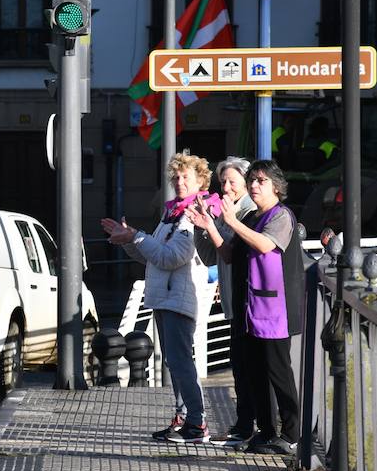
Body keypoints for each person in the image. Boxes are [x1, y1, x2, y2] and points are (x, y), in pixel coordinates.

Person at [102, 151, 219, 444]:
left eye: (186, 177)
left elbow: (172, 257)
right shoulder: (173, 212)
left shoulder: (193, 214)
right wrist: (129, 241)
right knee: (174, 361)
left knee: (180, 361)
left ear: (200, 181)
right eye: (176, 177)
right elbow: (152, 256)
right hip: (165, 297)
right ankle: (183, 418)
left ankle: (197, 423)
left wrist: (136, 237)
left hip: (179, 298)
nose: (179, 182)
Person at [189, 159, 303, 455]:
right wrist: (209, 226)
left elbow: (266, 245)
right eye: (251, 180)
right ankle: (265, 431)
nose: (254, 185)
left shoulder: (282, 216)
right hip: (250, 309)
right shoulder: (251, 218)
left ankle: (292, 435)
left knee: (278, 372)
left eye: (261, 181)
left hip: (275, 310)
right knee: (253, 373)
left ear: (277, 187)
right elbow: (228, 255)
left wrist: (233, 222)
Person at [192, 156, 258, 448]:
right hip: (232, 300)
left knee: (248, 365)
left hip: (248, 300)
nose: (226, 187)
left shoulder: (249, 212)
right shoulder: (223, 212)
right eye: (223, 182)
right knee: (239, 366)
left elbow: (232, 250)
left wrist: (216, 224)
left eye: (232, 181)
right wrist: (201, 224)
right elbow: (210, 257)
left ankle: (249, 424)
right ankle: (243, 423)